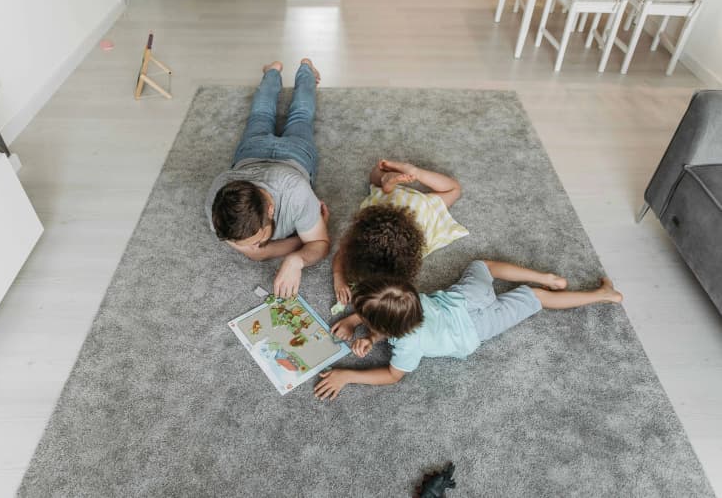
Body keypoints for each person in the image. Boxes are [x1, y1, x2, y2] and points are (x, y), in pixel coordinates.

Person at [314, 260, 623, 399]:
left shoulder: (408, 342)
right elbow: (385, 323)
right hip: (463, 302)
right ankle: (549, 277)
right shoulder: (408, 299)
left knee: (537, 299)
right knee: (483, 266)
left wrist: (349, 374)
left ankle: (602, 295)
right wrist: (365, 332)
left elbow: (393, 376)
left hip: (476, 328)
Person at [205, 59, 329, 298]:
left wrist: (295, 259)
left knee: (300, 116)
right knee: (260, 114)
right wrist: (273, 250)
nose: (251, 248)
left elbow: (321, 245)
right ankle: (274, 72)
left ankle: (304, 70)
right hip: (252, 152)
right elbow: (258, 253)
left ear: (270, 209)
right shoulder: (218, 207)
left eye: (257, 239)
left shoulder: (296, 193)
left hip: (295, 155)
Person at [332, 159, 468, 304]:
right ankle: (394, 179)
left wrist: (338, 277)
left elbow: (341, 253)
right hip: (387, 203)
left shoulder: (424, 217)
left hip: (417, 207)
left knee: (454, 190)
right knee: (454, 189)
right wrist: (338, 277)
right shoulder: (375, 219)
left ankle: (389, 181)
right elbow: (341, 253)